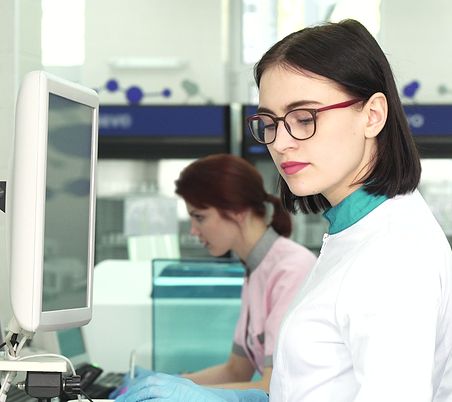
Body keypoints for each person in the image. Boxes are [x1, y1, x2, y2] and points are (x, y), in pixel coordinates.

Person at [114, 19, 452, 402]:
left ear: (372, 115)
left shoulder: (394, 252)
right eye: (269, 122)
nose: (281, 143)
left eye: (304, 118)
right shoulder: (354, 231)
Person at [112, 153, 316, 397]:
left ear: (238, 211)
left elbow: (271, 386)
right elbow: (236, 370)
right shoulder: (255, 267)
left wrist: (182, 392)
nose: (194, 230)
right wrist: (169, 381)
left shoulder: (291, 268)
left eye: (200, 217)